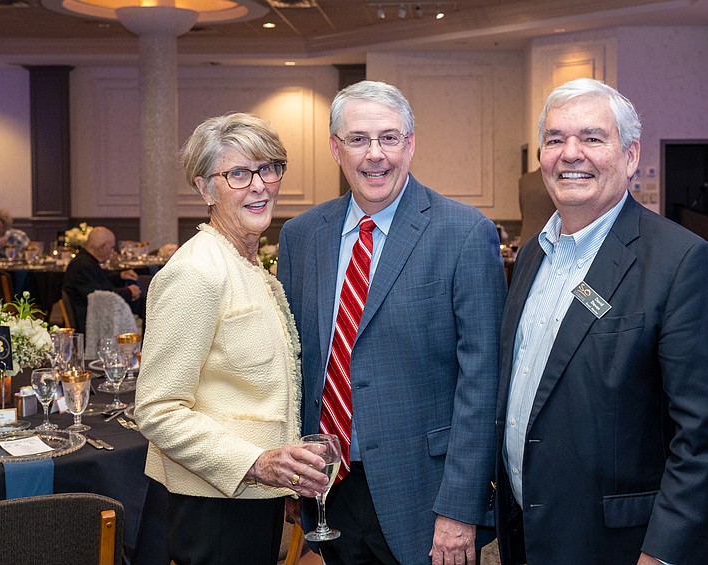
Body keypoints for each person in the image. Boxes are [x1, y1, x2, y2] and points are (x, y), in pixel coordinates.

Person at [495, 78, 708, 565]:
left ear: (630, 157)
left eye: (591, 137)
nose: (570, 153)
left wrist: (665, 554)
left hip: (622, 545)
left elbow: (705, 439)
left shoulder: (682, 262)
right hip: (529, 531)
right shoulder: (531, 257)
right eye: (555, 139)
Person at [278, 80, 508, 565]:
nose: (375, 154)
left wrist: (460, 509)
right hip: (329, 490)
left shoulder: (465, 233)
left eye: (389, 137)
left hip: (424, 495)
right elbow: (294, 365)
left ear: (410, 143)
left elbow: (482, 383)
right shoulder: (300, 237)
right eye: (358, 139)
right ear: (335, 148)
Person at [134, 112, 330, 565]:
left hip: (252, 498)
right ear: (205, 189)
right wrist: (256, 463)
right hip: (215, 506)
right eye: (238, 173)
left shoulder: (247, 262)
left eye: (268, 168)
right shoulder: (195, 272)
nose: (259, 185)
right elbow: (158, 410)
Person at [62, 226, 143, 333]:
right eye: (111, 247)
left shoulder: (85, 260)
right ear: (102, 247)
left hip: (93, 314)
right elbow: (100, 296)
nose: (112, 251)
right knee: (142, 305)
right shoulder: (83, 266)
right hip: (90, 322)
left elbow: (99, 279)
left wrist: (120, 276)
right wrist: (129, 292)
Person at [517, 151, 556, 242]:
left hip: (526, 239)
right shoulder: (557, 180)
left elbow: (523, 211)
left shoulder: (525, 180)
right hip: (551, 240)